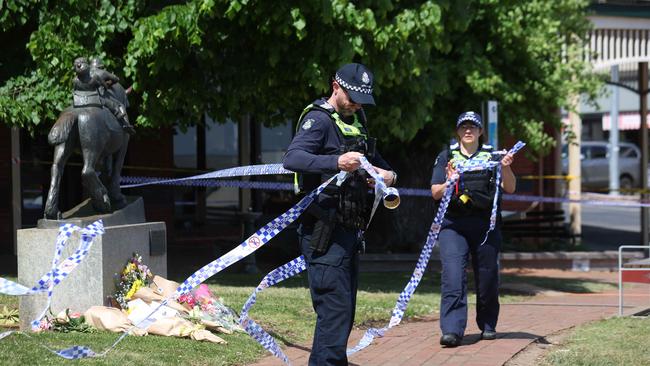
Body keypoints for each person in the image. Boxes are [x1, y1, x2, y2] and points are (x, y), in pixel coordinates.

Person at [283, 63, 397, 365]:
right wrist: (336, 162)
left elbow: (376, 160)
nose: (357, 104)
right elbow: (292, 158)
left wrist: (389, 175)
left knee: (343, 311)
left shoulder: (357, 119)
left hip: (350, 231)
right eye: (352, 97)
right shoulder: (318, 120)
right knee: (334, 310)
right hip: (323, 231)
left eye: (362, 99)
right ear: (336, 86)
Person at [430, 111, 516, 347]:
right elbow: (435, 192)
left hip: (485, 227)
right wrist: (449, 181)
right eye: (464, 127)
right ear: (458, 131)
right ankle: (452, 330)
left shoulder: (493, 156)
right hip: (453, 226)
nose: (468, 130)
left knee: (487, 278)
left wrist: (506, 168)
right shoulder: (447, 156)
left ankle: (488, 325)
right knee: (453, 277)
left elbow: (509, 188)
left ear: (480, 131)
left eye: (473, 127)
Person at [72, 57, 135, 135]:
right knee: (120, 105)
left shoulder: (82, 76)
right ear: (101, 66)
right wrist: (108, 84)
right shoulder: (102, 73)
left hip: (80, 99)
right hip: (98, 96)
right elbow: (115, 79)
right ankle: (126, 125)